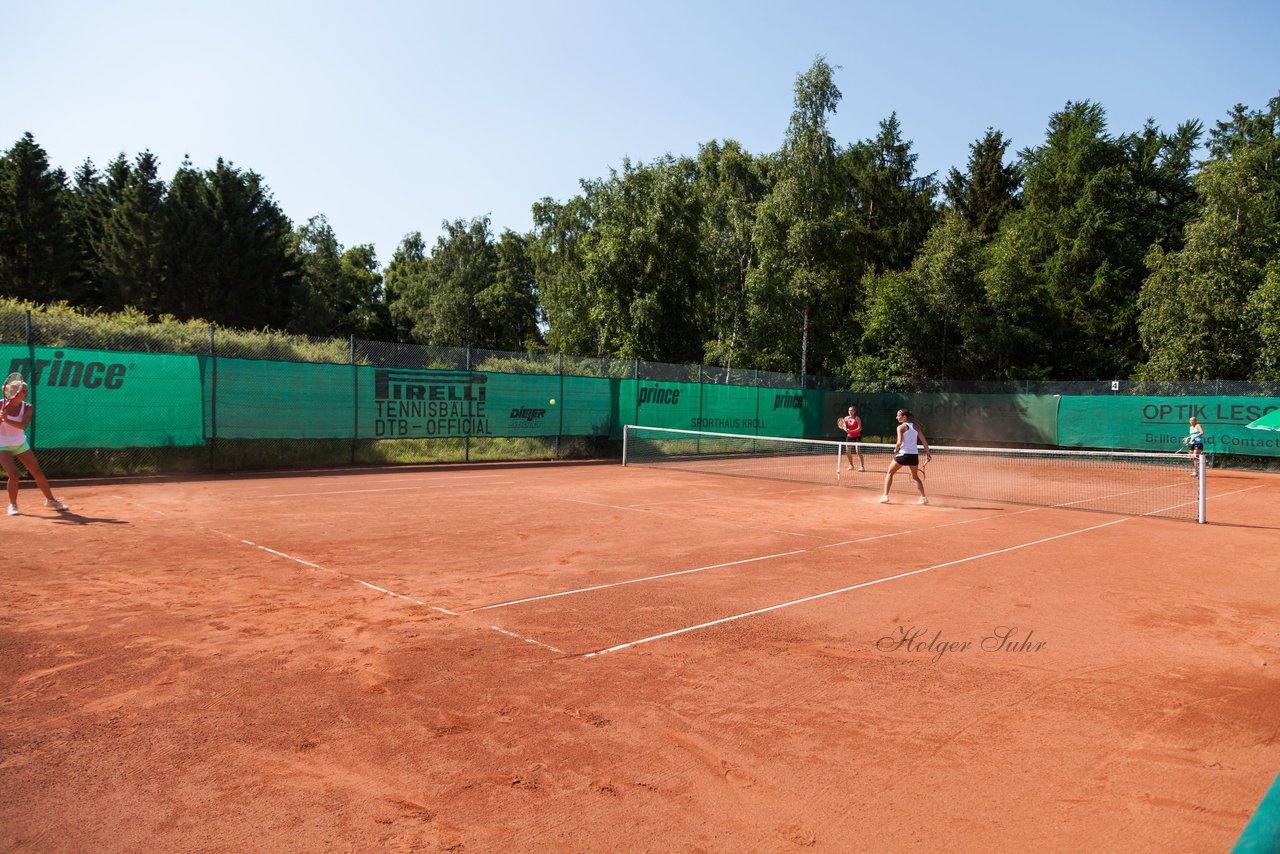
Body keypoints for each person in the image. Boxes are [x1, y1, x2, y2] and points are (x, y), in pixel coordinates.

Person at [0, 378, 68, 516]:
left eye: (27, 390)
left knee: (36, 471)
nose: (26, 393)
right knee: (14, 474)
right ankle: (13, 505)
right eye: (23, 391)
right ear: (13, 392)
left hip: (20, 443)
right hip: (2, 444)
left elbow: (23, 425)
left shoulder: (28, 407)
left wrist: (6, 419)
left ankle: (50, 500)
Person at [880, 409, 931, 505]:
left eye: (898, 416)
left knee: (890, 473)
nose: (897, 417)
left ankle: (885, 496)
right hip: (914, 456)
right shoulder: (916, 427)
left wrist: (896, 449)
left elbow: (899, 442)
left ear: (904, 417)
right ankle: (923, 498)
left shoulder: (900, 427)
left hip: (903, 454)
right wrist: (928, 454)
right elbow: (924, 441)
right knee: (915, 477)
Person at [837, 405, 865, 471]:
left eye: (852, 410)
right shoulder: (846, 418)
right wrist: (845, 430)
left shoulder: (857, 418)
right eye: (849, 410)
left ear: (854, 411)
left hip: (857, 437)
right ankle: (851, 465)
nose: (850, 412)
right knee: (847, 451)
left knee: (858, 451)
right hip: (849, 437)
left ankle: (862, 467)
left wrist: (851, 431)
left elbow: (860, 428)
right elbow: (843, 426)